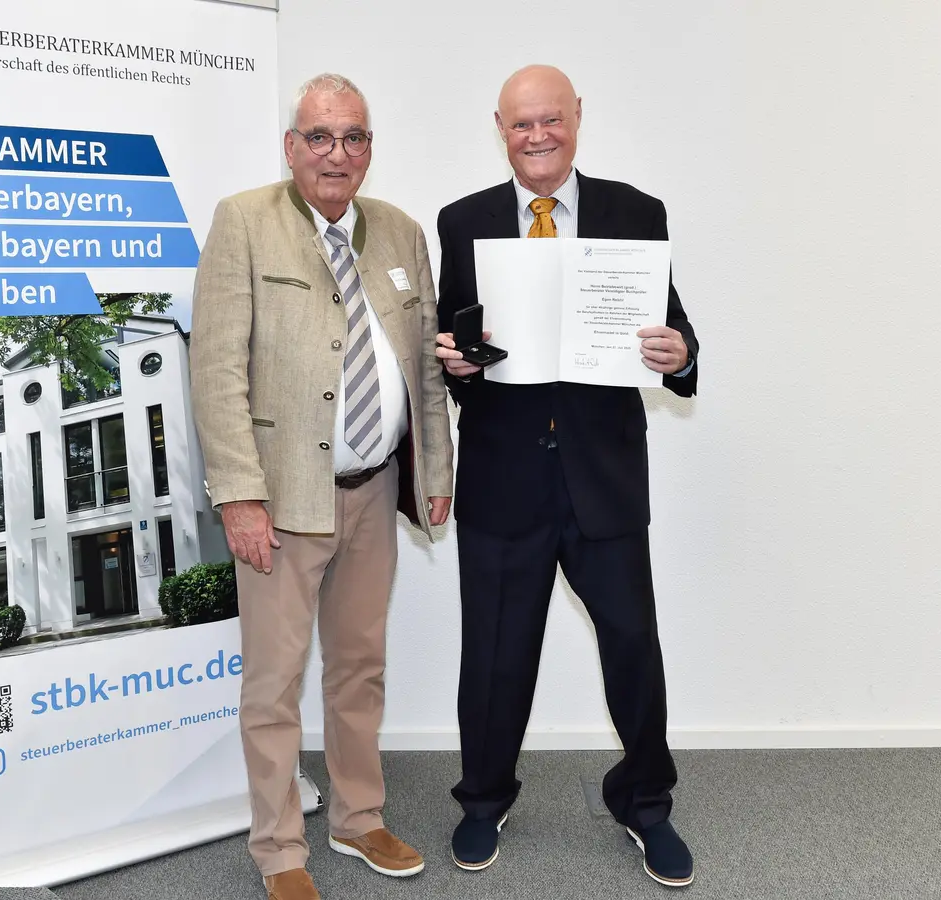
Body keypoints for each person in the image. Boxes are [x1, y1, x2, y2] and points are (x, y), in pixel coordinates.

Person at [432, 64, 700, 887]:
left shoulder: (634, 211)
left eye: (550, 119)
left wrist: (681, 356)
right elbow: (454, 339)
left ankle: (645, 803)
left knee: (632, 648)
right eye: (521, 124)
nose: (537, 136)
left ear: (576, 118)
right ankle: (482, 800)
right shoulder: (464, 220)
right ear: (500, 128)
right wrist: (456, 365)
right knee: (495, 656)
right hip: (503, 477)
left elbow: (676, 334)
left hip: (604, 476)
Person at [190, 72, 456, 900]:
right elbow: (216, 369)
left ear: (369, 149)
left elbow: (423, 368)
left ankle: (356, 817)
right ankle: (278, 850)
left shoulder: (403, 233)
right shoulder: (244, 221)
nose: (336, 154)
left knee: (359, 667)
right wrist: (238, 493)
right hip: (281, 500)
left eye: (353, 138)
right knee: (273, 684)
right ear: (291, 146)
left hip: (375, 491)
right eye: (320, 137)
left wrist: (436, 468)